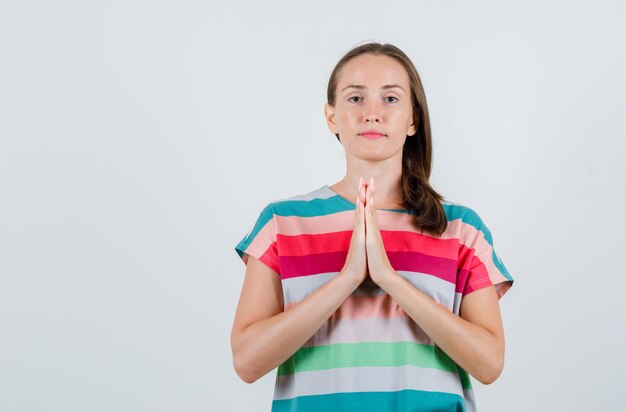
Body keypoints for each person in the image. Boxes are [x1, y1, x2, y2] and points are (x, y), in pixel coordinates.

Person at [231, 42, 514, 412]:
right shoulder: (282, 224)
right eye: (355, 98)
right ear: (331, 117)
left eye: (391, 99)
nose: (372, 114)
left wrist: (389, 279)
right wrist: (346, 278)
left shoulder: (461, 229)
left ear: (414, 119)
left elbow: (489, 363)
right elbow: (247, 362)